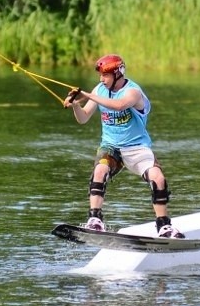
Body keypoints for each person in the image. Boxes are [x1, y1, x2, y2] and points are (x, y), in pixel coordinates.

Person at [63, 54, 185, 238]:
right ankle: (95, 220)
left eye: (105, 75)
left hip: (136, 147)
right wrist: (75, 105)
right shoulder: (99, 89)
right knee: (99, 170)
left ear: (118, 74)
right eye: (100, 76)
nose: (101, 79)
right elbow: (83, 118)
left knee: (158, 178)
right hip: (111, 146)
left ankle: (164, 226)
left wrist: (87, 95)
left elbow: (119, 106)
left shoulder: (133, 92)